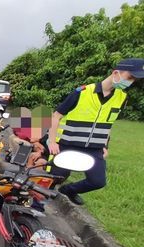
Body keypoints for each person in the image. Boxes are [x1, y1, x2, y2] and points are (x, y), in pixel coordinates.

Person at [48, 58, 144, 205]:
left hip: (94, 148)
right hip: (68, 144)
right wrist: (52, 141)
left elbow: (108, 124)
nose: (131, 82)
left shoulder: (122, 98)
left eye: (134, 80)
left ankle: (69, 190)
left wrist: (105, 146)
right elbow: (57, 116)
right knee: (55, 177)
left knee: (97, 181)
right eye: (130, 77)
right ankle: (36, 206)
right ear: (116, 73)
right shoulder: (82, 92)